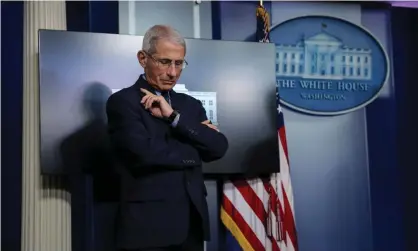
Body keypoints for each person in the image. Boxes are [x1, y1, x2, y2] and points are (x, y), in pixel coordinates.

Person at [106, 25, 229, 251]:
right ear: (143, 58)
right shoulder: (122, 102)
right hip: (147, 229)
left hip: (191, 226)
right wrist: (194, 151)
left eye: (179, 63)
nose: (173, 72)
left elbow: (218, 147)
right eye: (164, 62)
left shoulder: (190, 106)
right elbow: (142, 153)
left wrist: (174, 117)